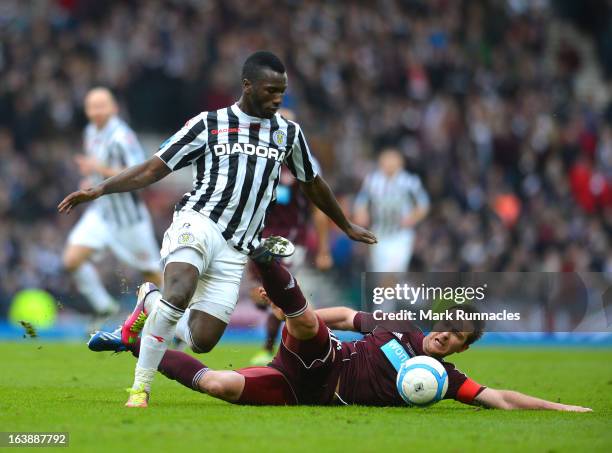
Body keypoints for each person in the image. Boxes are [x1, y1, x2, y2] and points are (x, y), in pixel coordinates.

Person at [58, 51, 376, 407]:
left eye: (282, 92)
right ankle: (139, 389)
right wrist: (100, 188)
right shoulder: (208, 123)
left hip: (237, 247)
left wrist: (344, 224)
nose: (277, 99)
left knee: (202, 340)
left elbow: (312, 182)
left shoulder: (288, 134)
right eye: (271, 90)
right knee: (177, 295)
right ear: (247, 85)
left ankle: (148, 299)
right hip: (198, 221)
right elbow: (153, 168)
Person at [89, 238, 591, 412]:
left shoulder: (445, 384)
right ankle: (267, 262)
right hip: (323, 357)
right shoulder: (401, 330)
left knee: (219, 384)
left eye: (456, 338)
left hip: (303, 390)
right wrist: (290, 314)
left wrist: (559, 405)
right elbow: (348, 317)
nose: (445, 336)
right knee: (308, 328)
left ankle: (136, 340)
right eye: (447, 327)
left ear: (459, 350)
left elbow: (499, 398)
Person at [62, 87, 162, 323]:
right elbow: (97, 170)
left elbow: (139, 172)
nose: (96, 111)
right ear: (86, 110)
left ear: (114, 107)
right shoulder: (91, 132)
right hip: (102, 214)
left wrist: (98, 169)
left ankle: (173, 321)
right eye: (92, 107)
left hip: (129, 220)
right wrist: (90, 180)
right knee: (71, 259)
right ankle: (104, 306)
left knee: (152, 274)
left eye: (101, 106)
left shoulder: (122, 137)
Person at [248, 107, 333, 366]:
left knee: (278, 291)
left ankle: (270, 349)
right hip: (257, 236)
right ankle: (293, 335)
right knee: (260, 297)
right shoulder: (256, 156)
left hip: (290, 239)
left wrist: (323, 249)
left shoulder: (304, 161)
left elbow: (319, 209)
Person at [354, 148, 429, 272]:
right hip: (379, 233)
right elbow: (361, 202)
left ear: (400, 163)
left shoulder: (410, 181)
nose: (389, 164)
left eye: (392, 160)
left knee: (394, 272)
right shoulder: (372, 181)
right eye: (386, 160)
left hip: (401, 234)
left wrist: (413, 217)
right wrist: (361, 214)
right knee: (381, 274)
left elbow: (423, 204)